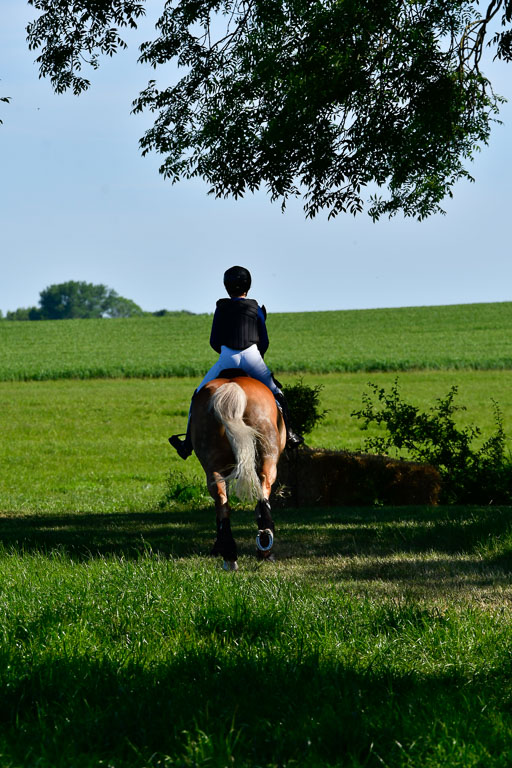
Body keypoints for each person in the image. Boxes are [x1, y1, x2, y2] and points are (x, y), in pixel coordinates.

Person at [169, 265, 303, 459]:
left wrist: (226, 353)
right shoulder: (256, 309)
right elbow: (264, 341)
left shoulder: (221, 309)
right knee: (277, 393)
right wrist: (258, 358)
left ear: (226, 287)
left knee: (198, 394)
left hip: (226, 357)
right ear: (248, 286)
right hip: (252, 357)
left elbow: (214, 341)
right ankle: (289, 434)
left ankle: (187, 443)